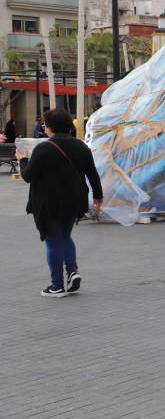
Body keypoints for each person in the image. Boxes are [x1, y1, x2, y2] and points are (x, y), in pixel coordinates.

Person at [15, 108, 103, 297]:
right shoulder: (81, 146)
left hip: (49, 203)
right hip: (74, 200)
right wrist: (98, 196)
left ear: (50, 128)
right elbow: (92, 173)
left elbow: (28, 176)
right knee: (64, 237)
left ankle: (57, 286)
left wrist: (22, 160)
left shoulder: (44, 148)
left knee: (53, 240)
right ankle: (72, 272)